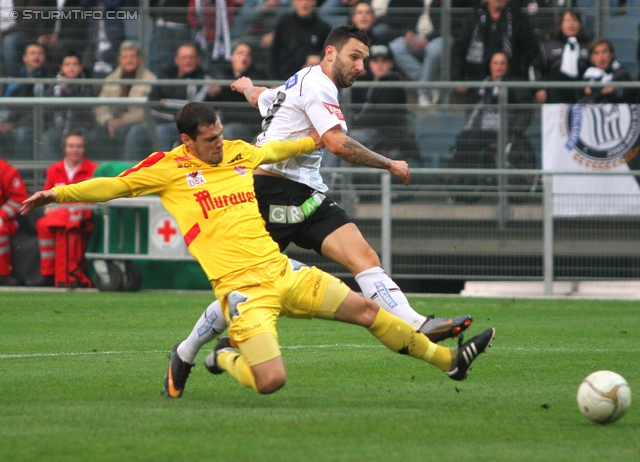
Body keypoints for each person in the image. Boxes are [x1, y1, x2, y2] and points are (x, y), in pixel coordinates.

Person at [21, 102, 496, 397]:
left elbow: (274, 152)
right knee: (271, 382)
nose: (219, 146)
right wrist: (57, 193)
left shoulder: (236, 152)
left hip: (284, 271)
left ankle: (451, 363)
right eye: (209, 141)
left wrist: (317, 139)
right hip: (242, 292)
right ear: (187, 141)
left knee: (367, 312)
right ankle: (220, 358)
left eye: (221, 135)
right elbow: (112, 188)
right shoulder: (167, 169)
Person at [165, 26, 475, 398]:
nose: (360, 66)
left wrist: (247, 86)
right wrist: (390, 164)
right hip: (270, 191)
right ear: (331, 53)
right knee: (246, 285)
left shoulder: (302, 80)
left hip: (308, 194)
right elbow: (337, 143)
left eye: (364, 58)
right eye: (354, 57)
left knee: (364, 257)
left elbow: (264, 99)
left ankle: (417, 323)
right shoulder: (319, 85)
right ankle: (185, 352)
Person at [28, 130, 98, 287]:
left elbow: (94, 198)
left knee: (74, 226)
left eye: (79, 146)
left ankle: (76, 272)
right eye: (71, 146)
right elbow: (46, 197)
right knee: (43, 224)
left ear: (84, 149)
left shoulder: (93, 169)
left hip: (81, 216)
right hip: (59, 216)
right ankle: (48, 273)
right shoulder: (54, 169)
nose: (75, 150)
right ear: (64, 148)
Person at [451, 0, 539, 104]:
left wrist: (537, 86)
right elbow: (459, 50)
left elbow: (533, 53)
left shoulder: (519, 19)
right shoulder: (474, 19)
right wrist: (458, 78)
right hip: (478, 82)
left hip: (512, 83)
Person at [350, 44, 420, 164]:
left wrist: (354, 122)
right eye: (375, 61)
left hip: (383, 133)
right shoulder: (369, 83)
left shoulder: (393, 82)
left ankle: (331, 176)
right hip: (369, 130)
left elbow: (384, 115)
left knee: (340, 139)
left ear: (391, 64)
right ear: (369, 64)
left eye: (384, 61)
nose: (379, 64)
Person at [92, 41, 158, 160]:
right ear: (120, 60)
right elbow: (101, 105)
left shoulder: (151, 80)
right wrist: (108, 121)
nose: (129, 60)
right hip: (112, 122)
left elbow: (147, 110)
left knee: (126, 132)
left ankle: (125, 169)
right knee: (96, 134)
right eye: (125, 57)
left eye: (132, 56)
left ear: (140, 59)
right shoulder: (110, 79)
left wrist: (122, 120)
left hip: (136, 124)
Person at [208, 42, 266, 141]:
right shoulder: (224, 77)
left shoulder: (258, 77)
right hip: (225, 121)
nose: (245, 56)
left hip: (248, 125)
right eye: (241, 53)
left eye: (248, 54)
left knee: (228, 131)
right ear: (232, 57)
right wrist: (212, 95)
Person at [42, 51, 95, 161]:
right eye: (67, 64)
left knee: (85, 138)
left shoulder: (86, 84)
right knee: (47, 138)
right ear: (62, 67)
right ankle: (51, 172)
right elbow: (48, 106)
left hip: (79, 126)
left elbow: (85, 106)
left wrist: (68, 89)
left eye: (75, 64)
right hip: (57, 126)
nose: (71, 67)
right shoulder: (54, 84)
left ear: (81, 67)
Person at [0, 42, 48, 160]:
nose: (36, 56)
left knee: (21, 133)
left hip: (30, 124)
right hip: (7, 119)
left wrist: (13, 125)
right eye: (32, 53)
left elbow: (40, 112)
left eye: (40, 53)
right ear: (25, 58)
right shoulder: (13, 77)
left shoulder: (47, 80)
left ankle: (22, 175)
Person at [534, 9, 591, 104]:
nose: (571, 24)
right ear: (560, 25)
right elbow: (535, 67)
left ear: (580, 25)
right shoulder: (547, 47)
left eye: (575, 20)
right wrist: (538, 89)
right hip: (554, 100)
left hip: (582, 100)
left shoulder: (589, 47)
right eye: (567, 21)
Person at [268, 0, 332, 80]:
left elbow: (328, 56)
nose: (304, 2)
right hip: (285, 79)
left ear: (314, 2)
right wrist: (274, 80)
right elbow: (274, 51)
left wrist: (318, 58)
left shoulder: (323, 28)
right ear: (294, 2)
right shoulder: (284, 23)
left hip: (311, 81)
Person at [0, 158, 28, 286]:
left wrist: (2, 215)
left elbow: (19, 198)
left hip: (7, 220)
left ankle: (4, 274)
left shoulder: (5, 170)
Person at [579, 39, 634, 104]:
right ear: (591, 58)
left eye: (604, 52)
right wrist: (602, 92)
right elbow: (581, 99)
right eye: (596, 53)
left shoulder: (622, 74)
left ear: (611, 55)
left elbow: (623, 94)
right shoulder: (587, 76)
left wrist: (594, 92)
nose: (601, 56)